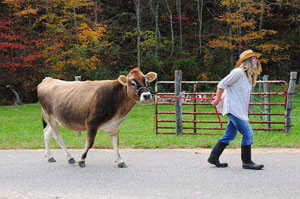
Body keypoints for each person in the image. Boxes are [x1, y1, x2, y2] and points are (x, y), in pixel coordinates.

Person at [208, 49, 264, 170]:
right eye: (253, 58)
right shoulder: (238, 72)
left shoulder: (247, 76)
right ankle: (247, 162)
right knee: (248, 134)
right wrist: (217, 100)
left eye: (256, 58)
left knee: (229, 135)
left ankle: (213, 157)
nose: (256, 60)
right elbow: (221, 84)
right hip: (234, 109)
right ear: (247, 61)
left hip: (239, 110)